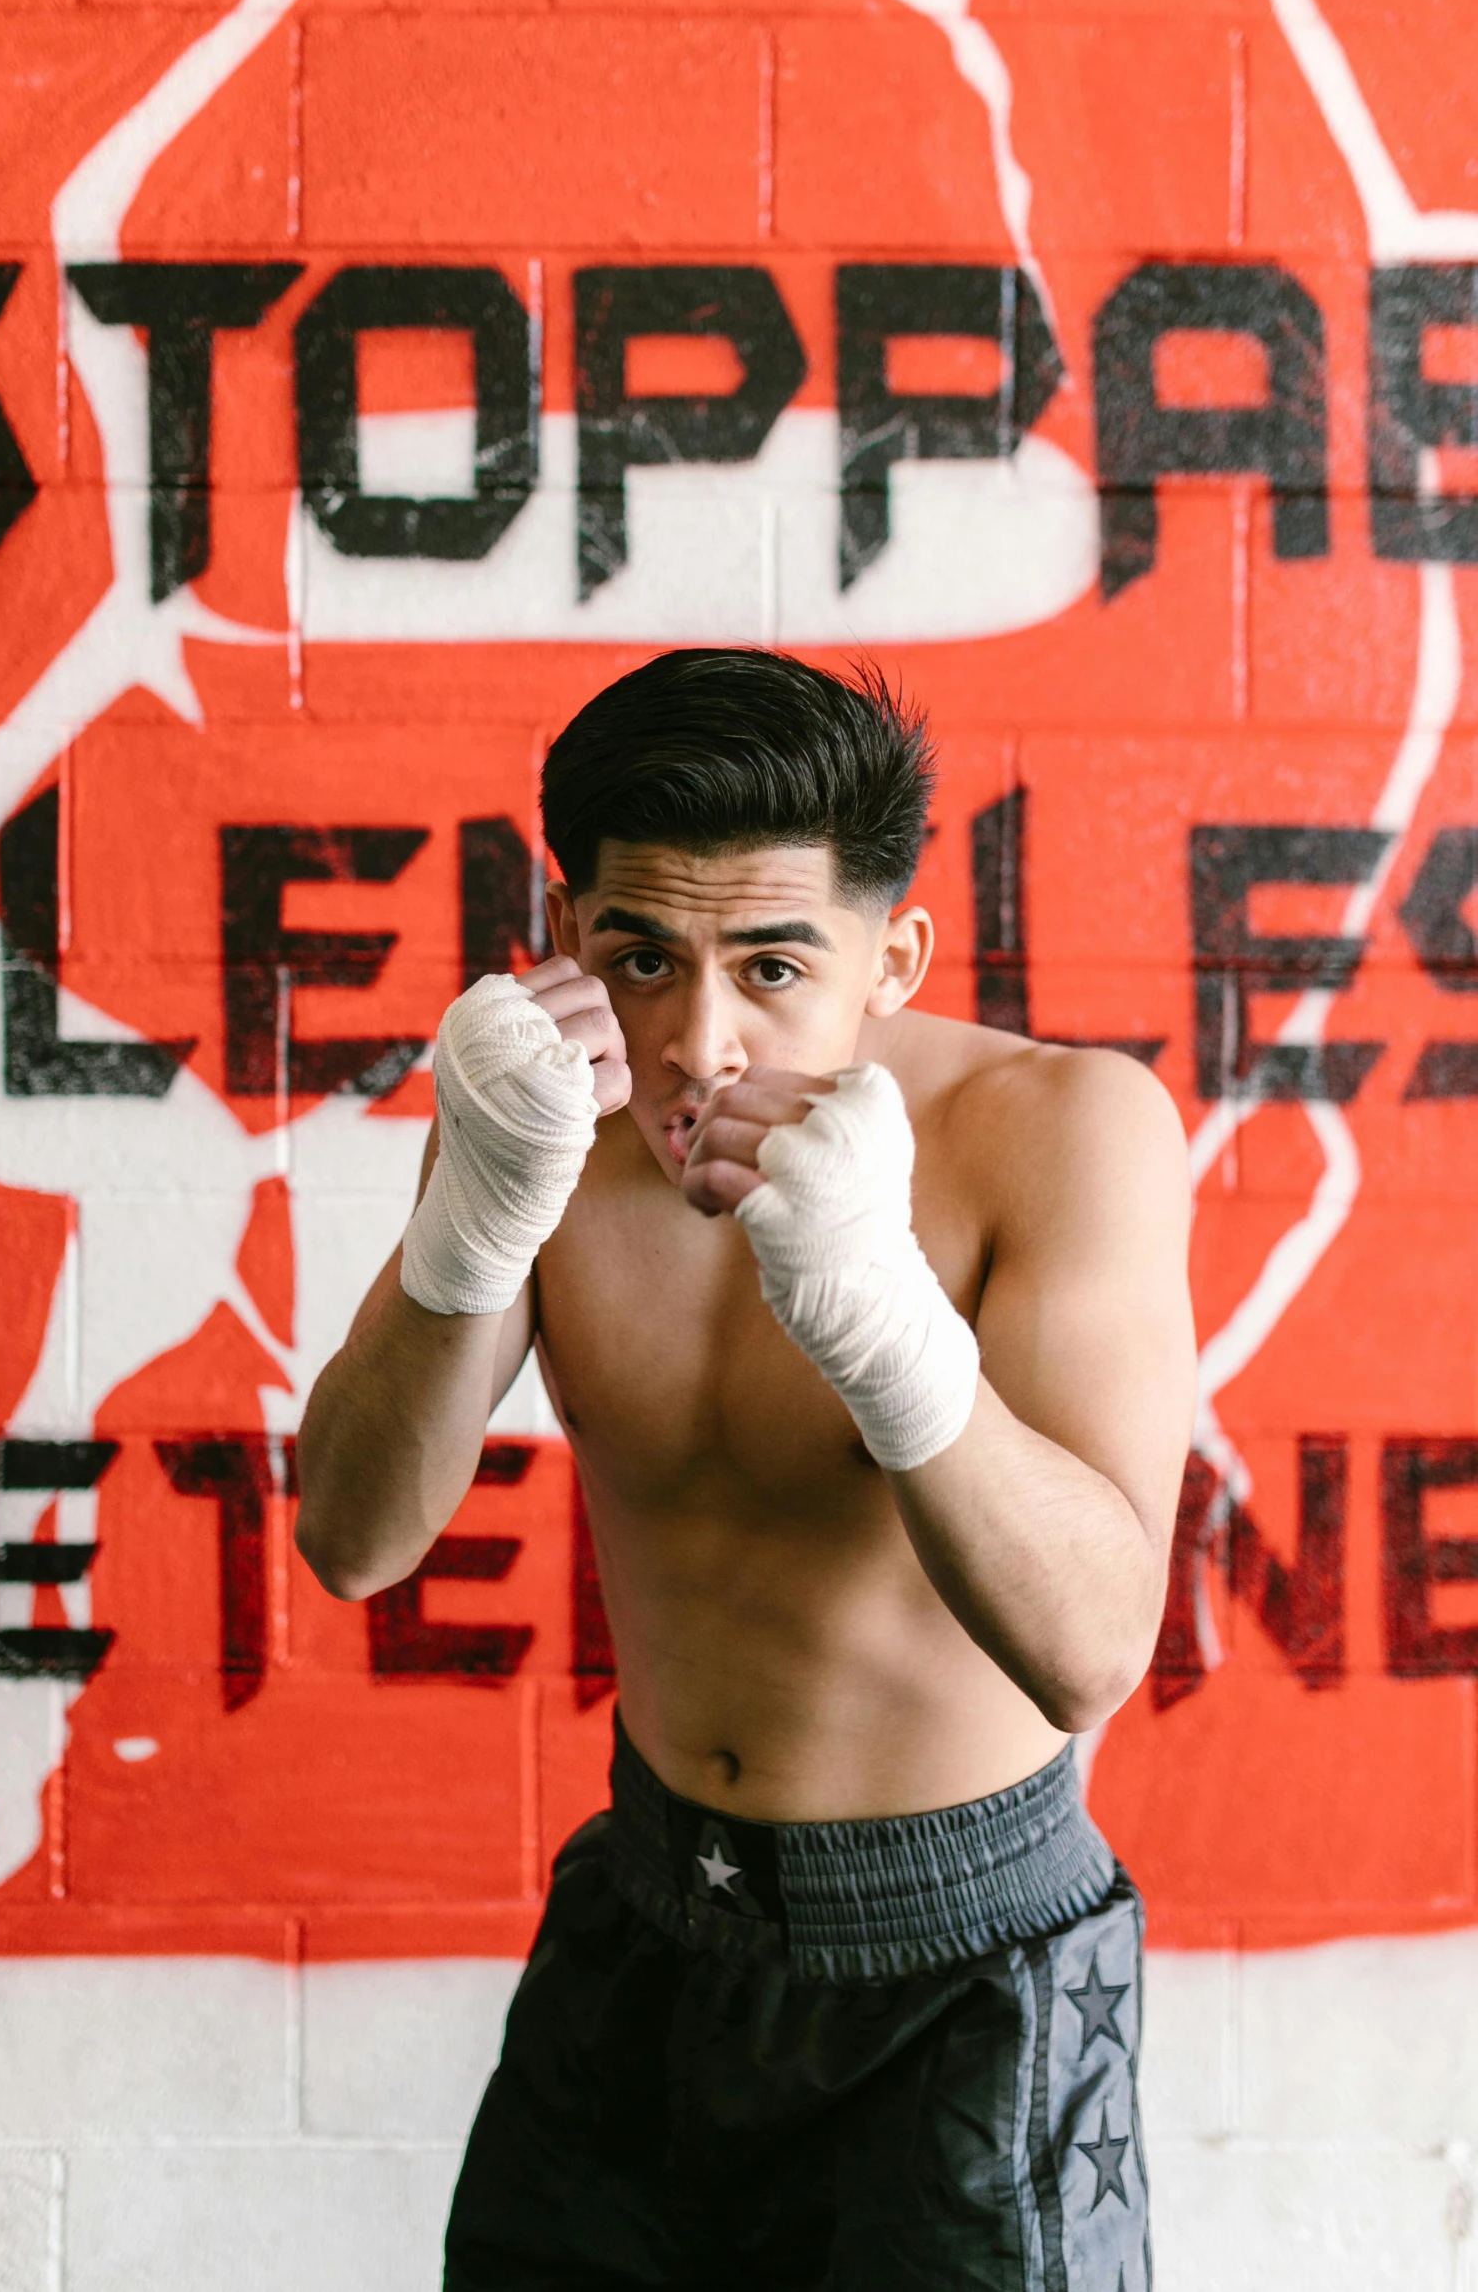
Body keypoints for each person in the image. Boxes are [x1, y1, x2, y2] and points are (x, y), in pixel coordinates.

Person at [295, 647, 1195, 2291]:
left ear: (894, 954)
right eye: (641, 957)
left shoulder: (1060, 1128)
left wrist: (879, 1311)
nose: (694, 1039)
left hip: (962, 1976)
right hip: (647, 1926)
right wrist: (466, 1229)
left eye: (773, 965)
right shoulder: (536, 1120)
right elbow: (354, 1539)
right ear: (569, 934)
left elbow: (1090, 1651)